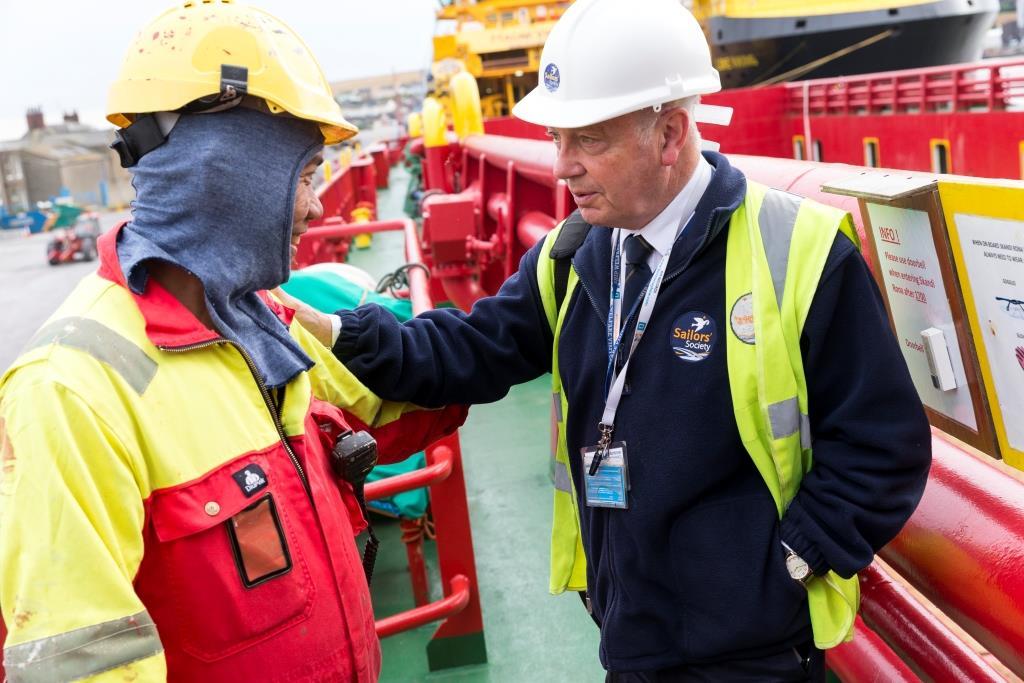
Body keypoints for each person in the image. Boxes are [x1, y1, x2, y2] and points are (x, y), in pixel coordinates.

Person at [289, 0, 934, 680]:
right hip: (629, 631)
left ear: (671, 134)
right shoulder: (578, 256)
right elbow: (473, 350)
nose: (563, 166)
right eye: (557, 138)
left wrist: (787, 562)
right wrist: (332, 329)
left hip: (751, 654)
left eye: (588, 140)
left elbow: (884, 444)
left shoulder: (798, 253)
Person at [0, 3, 465, 681]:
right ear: (225, 172)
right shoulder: (69, 391)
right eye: (304, 176)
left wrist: (539, 325)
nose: (317, 207)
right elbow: (82, 663)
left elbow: (396, 408)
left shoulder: (258, 318)